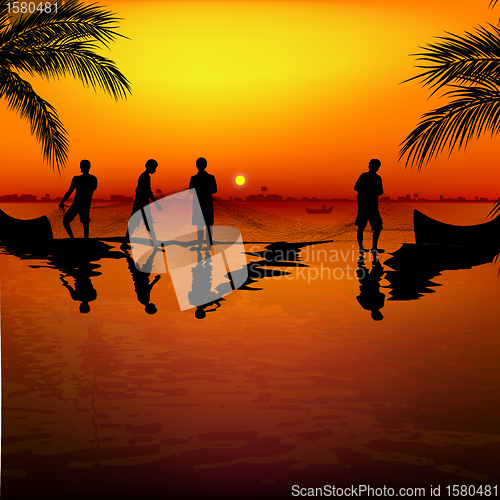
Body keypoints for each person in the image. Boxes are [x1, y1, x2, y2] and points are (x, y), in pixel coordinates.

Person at [125, 159, 162, 246]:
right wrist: (156, 203)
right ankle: (155, 242)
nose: (155, 170)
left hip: (140, 203)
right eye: (154, 168)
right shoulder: (145, 177)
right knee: (146, 223)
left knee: (143, 223)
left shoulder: (144, 176)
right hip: (142, 204)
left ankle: (125, 242)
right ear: (150, 167)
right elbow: (148, 191)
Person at [59, 159, 98, 239]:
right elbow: (91, 190)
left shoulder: (77, 179)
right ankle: (84, 239)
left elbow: (70, 191)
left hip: (77, 204)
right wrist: (62, 201)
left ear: (85, 167)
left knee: (68, 221)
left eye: (81, 165)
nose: (80, 167)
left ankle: (74, 239)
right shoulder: (93, 179)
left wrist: (62, 202)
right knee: (84, 222)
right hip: (85, 204)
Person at [354, 158, 384, 252]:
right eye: (374, 165)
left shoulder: (378, 178)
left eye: (377, 166)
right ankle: (361, 247)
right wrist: (369, 191)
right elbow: (356, 187)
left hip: (373, 207)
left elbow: (380, 191)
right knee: (361, 227)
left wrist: (371, 191)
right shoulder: (364, 176)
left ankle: (374, 247)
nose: (376, 167)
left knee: (378, 226)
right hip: (364, 207)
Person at [189, 157, 217, 247]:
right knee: (209, 225)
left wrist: (199, 189)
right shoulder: (211, 177)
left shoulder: (194, 178)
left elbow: (190, 191)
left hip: (198, 204)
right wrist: (206, 190)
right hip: (207, 204)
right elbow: (214, 190)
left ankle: (200, 245)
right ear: (206, 165)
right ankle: (209, 245)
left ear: (196, 166)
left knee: (200, 227)